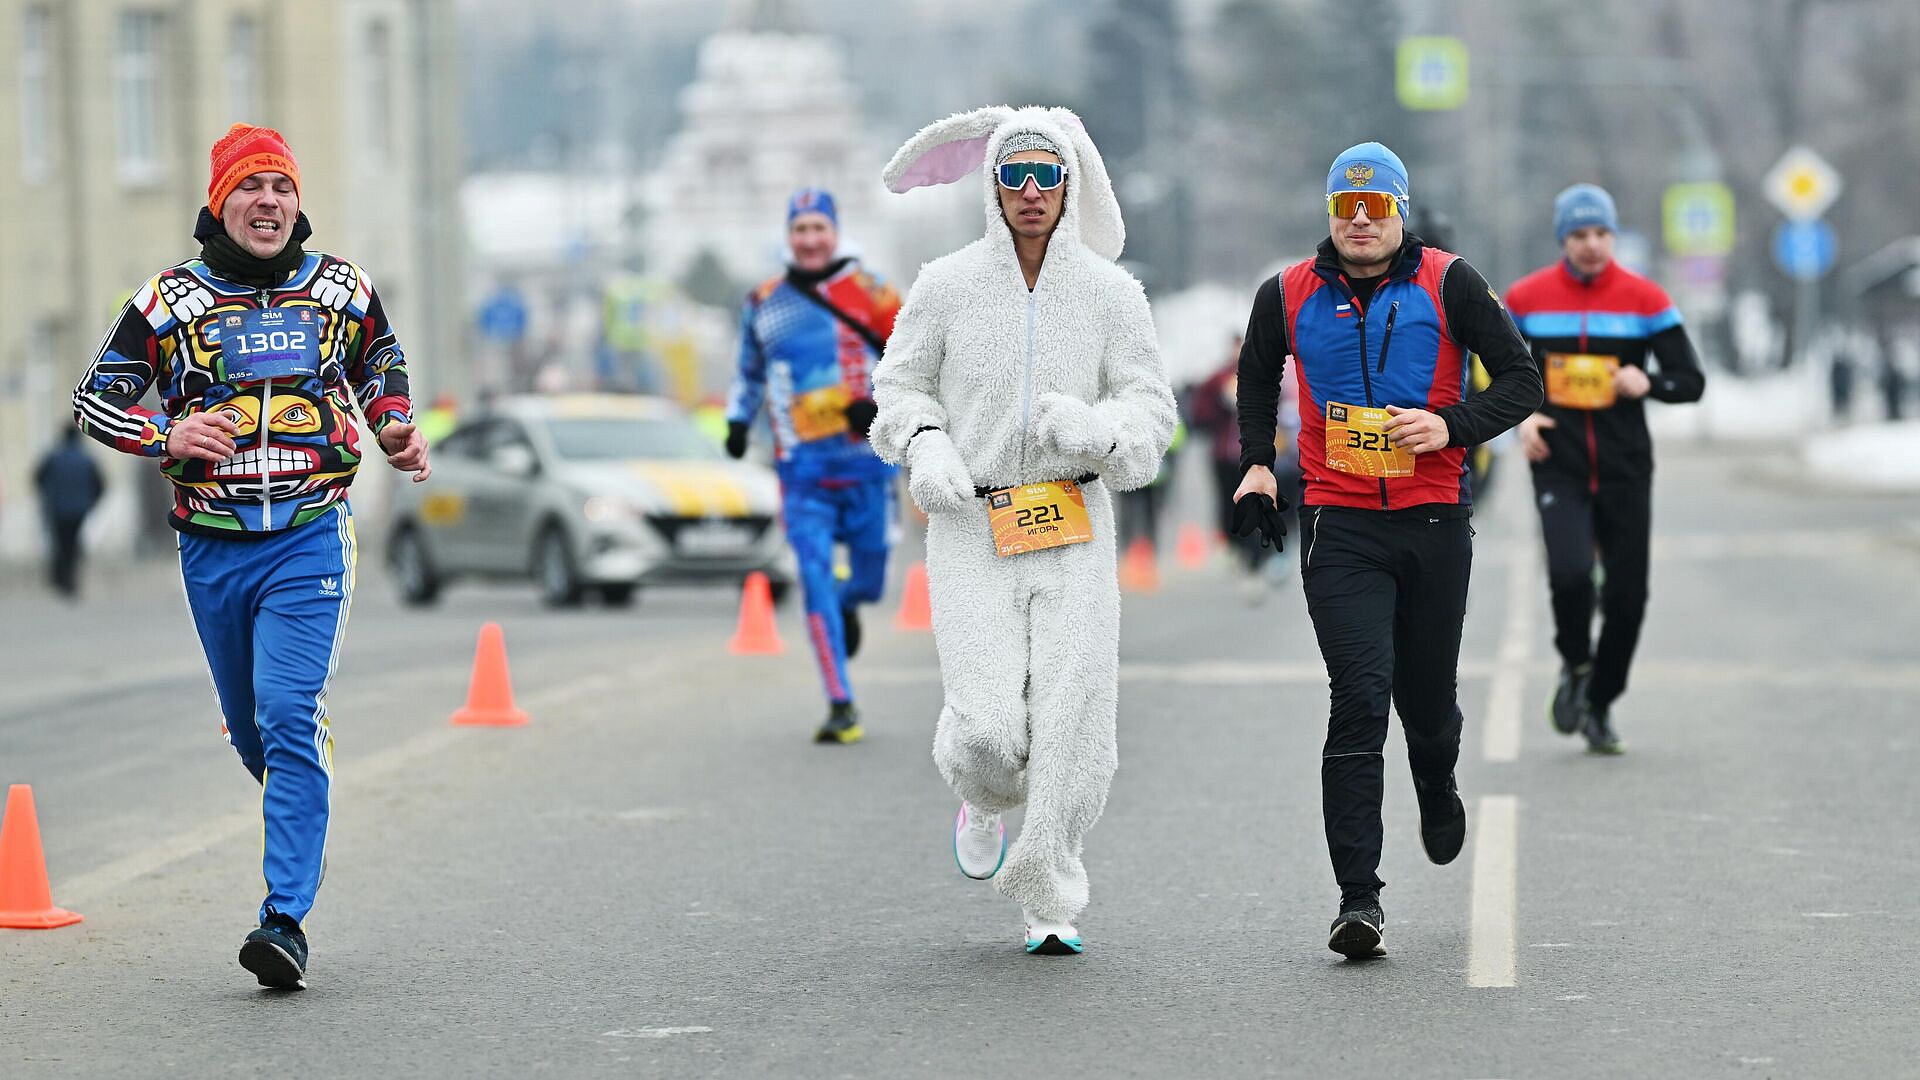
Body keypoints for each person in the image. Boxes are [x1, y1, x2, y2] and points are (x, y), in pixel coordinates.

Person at [71, 123, 429, 990]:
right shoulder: (168, 301)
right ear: (219, 201)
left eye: (282, 189)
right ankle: (293, 764)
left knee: (287, 709)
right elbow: (96, 399)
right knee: (256, 731)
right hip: (212, 547)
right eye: (251, 189)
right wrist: (167, 431)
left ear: (298, 203)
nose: (268, 204)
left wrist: (393, 423)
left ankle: (284, 920)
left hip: (311, 531)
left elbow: (379, 355)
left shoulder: (341, 289)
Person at [872, 106, 1176, 955]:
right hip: (972, 522)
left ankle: (1051, 894)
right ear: (993, 186)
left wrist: (1097, 429)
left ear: (1071, 183)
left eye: (1048, 175)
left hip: (1074, 520)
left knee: (1075, 719)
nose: (1033, 192)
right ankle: (980, 793)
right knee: (988, 731)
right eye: (1016, 175)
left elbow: (1152, 410)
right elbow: (898, 389)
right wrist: (926, 446)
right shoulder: (945, 285)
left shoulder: (1113, 295)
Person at [1232, 142, 1542, 958]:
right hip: (1341, 525)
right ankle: (1359, 899)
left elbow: (1521, 379)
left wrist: (1453, 426)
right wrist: (1259, 464)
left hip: (1435, 518)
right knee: (1360, 697)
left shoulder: (1450, 281)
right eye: (1346, 209)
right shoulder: (1288, 292)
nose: (1360, 224)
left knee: (1426, 704)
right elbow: (1258, 375)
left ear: (1399, 212)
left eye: (1376, 210)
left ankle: (1436, 776)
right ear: (1330, 215)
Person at [1506, 183, 1705, 754]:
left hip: (1624, 467)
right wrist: (1525, 419)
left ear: (1613, 236)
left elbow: (1690, 381)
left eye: (1600, 234)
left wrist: (1650, 383)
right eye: (1578, 235)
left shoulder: (1644, 299)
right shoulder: (1527, 299)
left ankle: (1601, 701)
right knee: (1569, 573)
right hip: (1558, 464)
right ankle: (1574, 661)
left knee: (1628, 596)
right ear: (1562, 239)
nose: (1591, 245)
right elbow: (1493, 374)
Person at [725, 187, 901, 744]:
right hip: (802, 472)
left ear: (835, 232)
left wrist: (878, 406)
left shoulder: (874, 295)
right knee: (814, 582)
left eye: (817, 228)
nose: (808, 240)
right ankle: (840, 703)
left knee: (870, 584)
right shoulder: (764, 302)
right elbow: (748, 372)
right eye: (799, 230)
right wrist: (736, 420)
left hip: (868, 467)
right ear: (788, 238)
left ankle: (851, 603)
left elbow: (913, 368)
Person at [32, 426, 105, 598]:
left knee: (60, 543)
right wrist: (90, 502)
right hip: (79, 510)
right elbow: (100, 484)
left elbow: (38, 477)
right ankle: (70, 580)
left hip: (58, 508)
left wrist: (48, 496)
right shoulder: (86, 459)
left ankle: (61, 580)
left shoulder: (54, 457)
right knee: (72, 544)